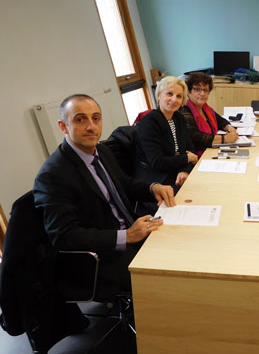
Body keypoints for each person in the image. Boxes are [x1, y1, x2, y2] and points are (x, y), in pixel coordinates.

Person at [33, 94, 176, 300]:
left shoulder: (100, 150)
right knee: (168, 278)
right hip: (103, 254)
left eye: (96, 118)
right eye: (80, 119)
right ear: (63, 126)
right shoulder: (53, 175)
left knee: (182, 249)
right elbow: (64, 236)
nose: (91, 127)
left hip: (130, 231)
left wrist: (152, 187)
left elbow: (124, 184)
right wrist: (126, 236)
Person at [135, 76, 198, 193]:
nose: (174, 99)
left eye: (179, 96)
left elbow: (190, 149)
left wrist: (184, 170)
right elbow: (157, 162)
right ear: (159, 95)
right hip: (157, 181)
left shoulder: (178, 118)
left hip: (177, 174)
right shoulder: (149, 122)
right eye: (169, 94)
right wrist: (186, 159)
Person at [180, 72, 238, 157]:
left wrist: (229, 127)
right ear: (188, 92)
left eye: (205, 90)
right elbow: (194, 136)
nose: (202, 93)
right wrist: (224, 139)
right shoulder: (184, 111)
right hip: (197, 157)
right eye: (197, 89)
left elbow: (220, 120)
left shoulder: (205, 108)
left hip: (211, 150)